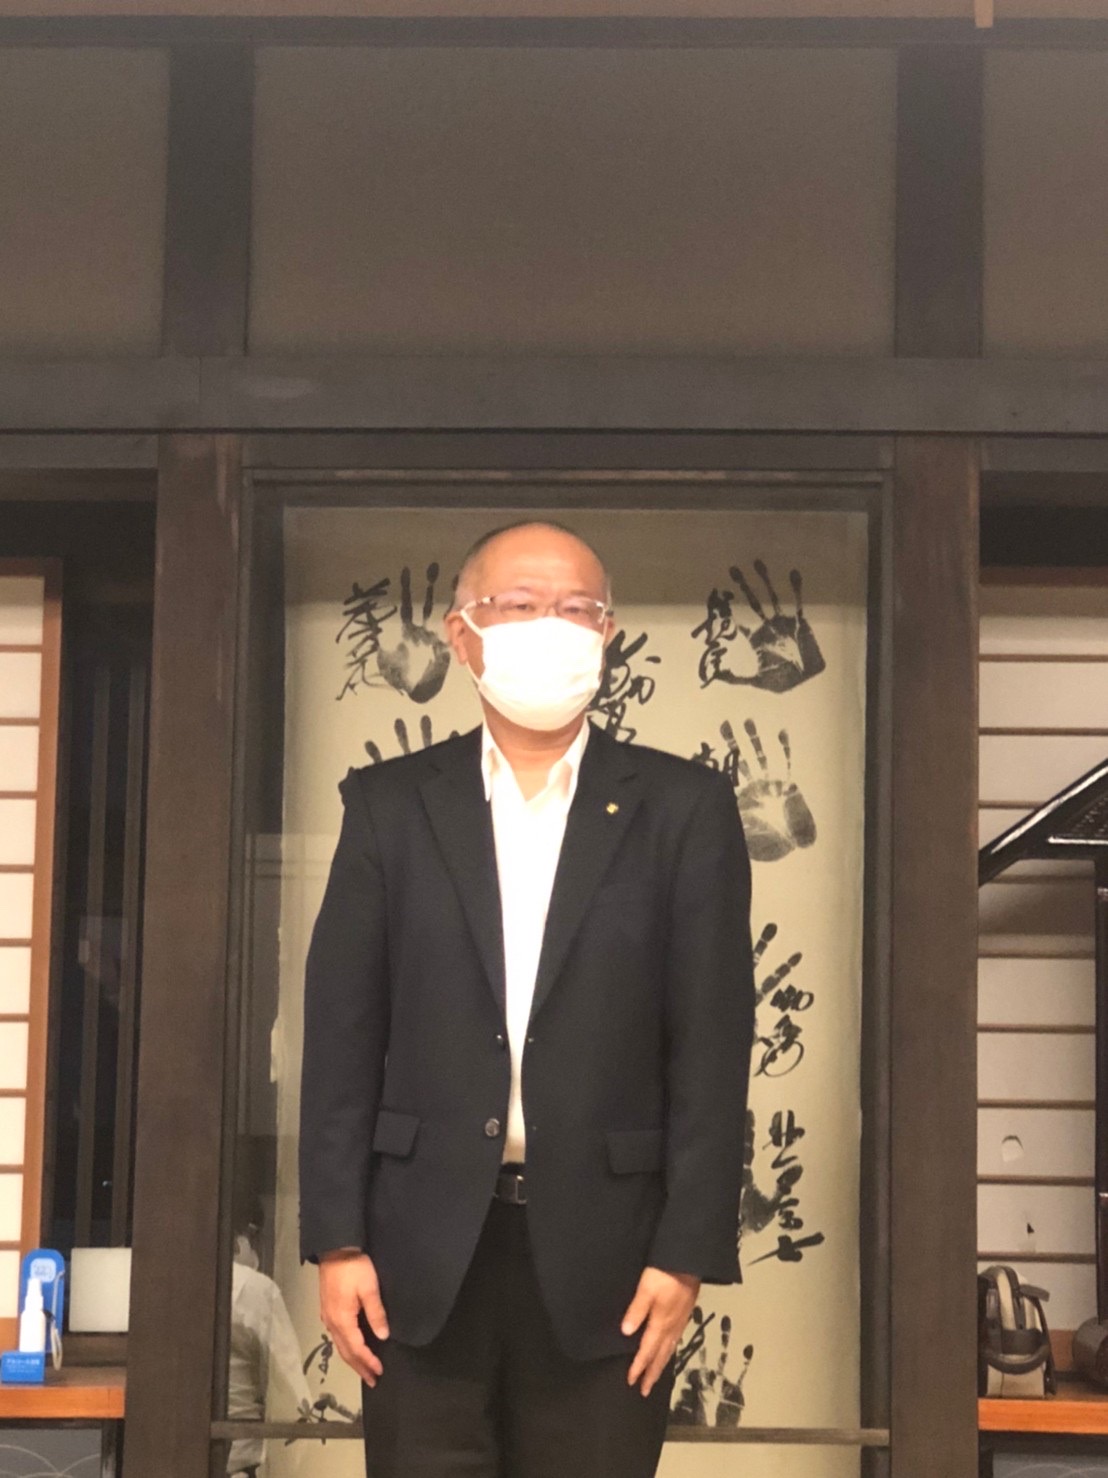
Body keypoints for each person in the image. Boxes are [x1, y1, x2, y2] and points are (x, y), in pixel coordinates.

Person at [299, 520, 755, 1478]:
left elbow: (712, 1049)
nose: (551, 626)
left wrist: (686, 1255)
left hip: (614, 1260)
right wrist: (337, 1242)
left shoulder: (683, 809)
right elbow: (342, 1035)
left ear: (609, 634)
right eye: (519, 606)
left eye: (576, 609)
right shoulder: (390, 806)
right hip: (418, 1258)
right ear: (463, 634)